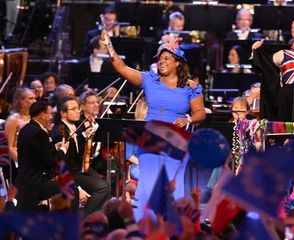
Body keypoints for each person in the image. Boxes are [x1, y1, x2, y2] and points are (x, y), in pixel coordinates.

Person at [101, 31, 206, 220]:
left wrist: (189, 119)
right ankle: (145, 225)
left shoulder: (190, 86)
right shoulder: (150, 80)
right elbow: (121, 67)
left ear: (177, 63)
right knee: (147, 185)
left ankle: (173, 226)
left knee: (174, 187)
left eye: (167, 58)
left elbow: (201, 113)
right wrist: (109, 45)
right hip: (150, 140)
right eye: (160, 59)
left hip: (177, 141)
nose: (162, 62)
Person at [50, 96, 109, 216]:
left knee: (106, 185)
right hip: (67, 173)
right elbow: (60, 164)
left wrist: (85, 136)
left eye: (78, 108)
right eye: (73, 109)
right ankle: (82, 218)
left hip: (78, 169)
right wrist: (78, 188)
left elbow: (75, 147)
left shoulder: (77, 126)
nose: (78, 111)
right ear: (63, 113)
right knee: (102, 187)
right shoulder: (59, 132)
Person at [15, 101, 69, 212]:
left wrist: (54, 147)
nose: (52, 117)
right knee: (70, 190)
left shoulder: (26, 129)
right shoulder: (39, 133)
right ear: (43, 115)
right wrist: (63, 150)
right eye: (50, 114)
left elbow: (39, 153)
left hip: (24, 179)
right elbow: (50, 162)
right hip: (34, 182)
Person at [4, 88, 36, 180]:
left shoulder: (34, 117)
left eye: (35, 98)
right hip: (18, 160)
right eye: (30, 98)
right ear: (20, 101)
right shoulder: (13, 119)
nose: (34, 101)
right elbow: (10, 147)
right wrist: (26, 164)